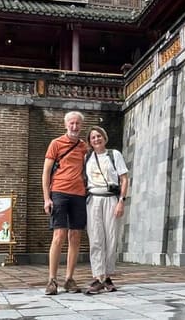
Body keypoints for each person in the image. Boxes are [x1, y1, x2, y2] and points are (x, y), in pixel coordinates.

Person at [42, 111, 89, 295]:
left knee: (75, 237)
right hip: (59, 193)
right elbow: (46, 172)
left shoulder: (84, 146)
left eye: (77, 123)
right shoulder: (56, 144)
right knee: (59, 236)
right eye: (71, 123)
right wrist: (47, 198)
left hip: (79, 194)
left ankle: (69, 278)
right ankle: (52, 280)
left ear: (81, 125)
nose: (74, 126)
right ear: (65, 124)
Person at [83, 125, 129, 295]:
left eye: (99, 136)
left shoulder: (114, 155)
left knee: (111, 238)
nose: (96, 139)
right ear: (90, 141)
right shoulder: (87, 157)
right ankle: (98, 276)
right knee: (95, 238)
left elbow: (124, 179)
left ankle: (106, 276)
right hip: (93, 199)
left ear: (104, 137)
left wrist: (121, 201)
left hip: (111, 199)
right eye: (93, 137)